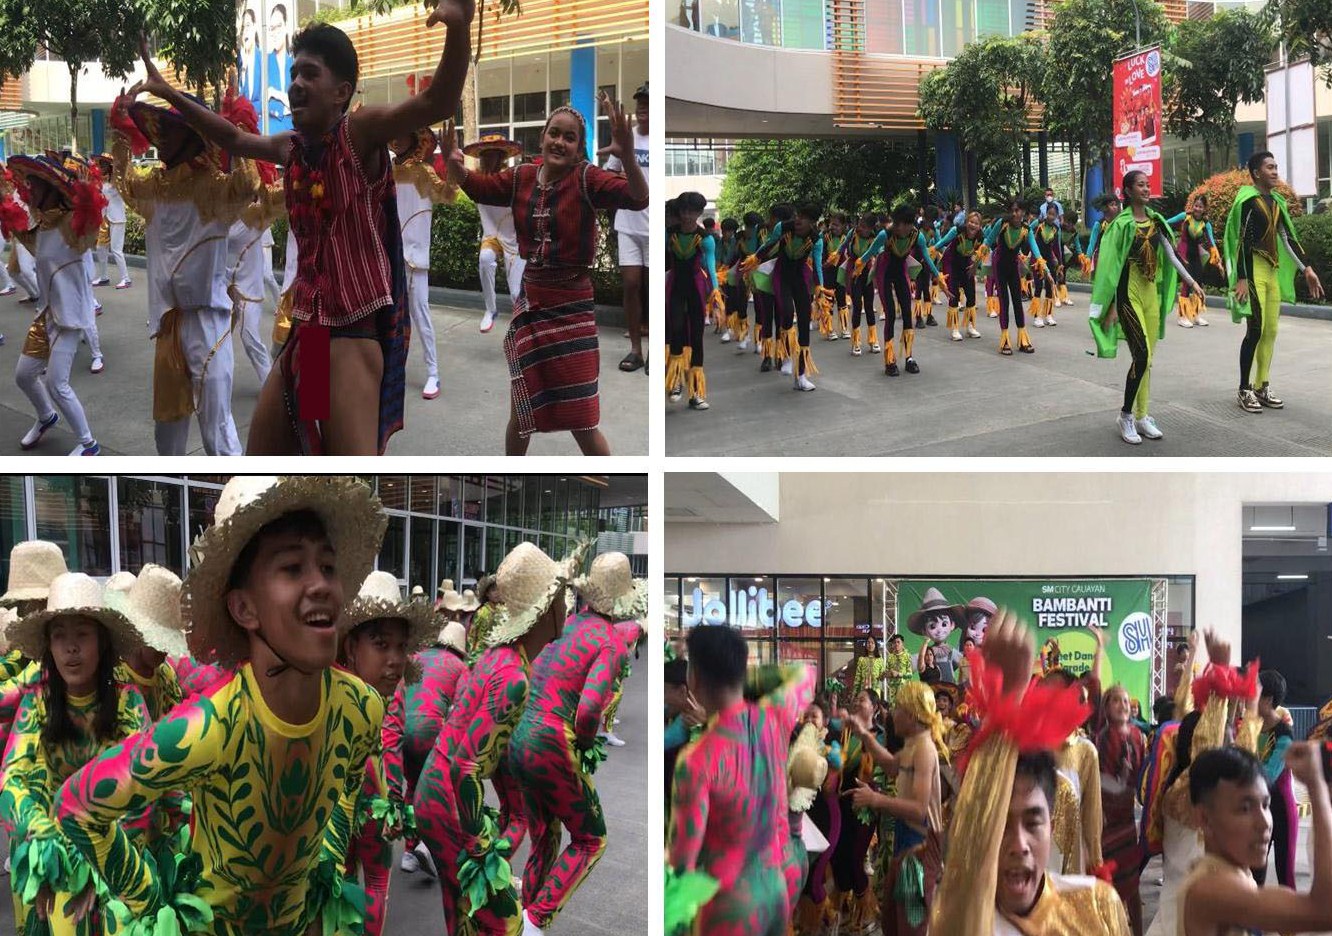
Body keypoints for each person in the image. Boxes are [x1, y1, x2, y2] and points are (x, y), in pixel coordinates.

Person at [128, 0, 475, 455]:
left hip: (353, 336)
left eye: (310, 74)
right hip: (309, 337)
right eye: (294, 74)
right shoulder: (292, 149)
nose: (295, 85)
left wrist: (459, 29)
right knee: (279, 468)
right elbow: (232, 138)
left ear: (341, 91)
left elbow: (438, 101)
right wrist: (170, 94)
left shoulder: (359, 132)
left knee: (347, 480)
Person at [55, 476, 388, 935]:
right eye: (292, 567)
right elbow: (76, 805)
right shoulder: (207, 727)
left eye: (328, 567)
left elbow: (345, 788)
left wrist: (323, 877)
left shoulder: (363, 709)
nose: (321, 585)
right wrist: (156, 902)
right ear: (244, 609)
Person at [443, 95, 647, 455]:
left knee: (582, 419)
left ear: (579, 147)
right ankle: (511, 482)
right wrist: (453, 163)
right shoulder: (521, 176)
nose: (560, 142)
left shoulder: (587, 178)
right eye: (555, 133)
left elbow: (637, 197)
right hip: (533, 304)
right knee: (521, 413)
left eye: (570, 138)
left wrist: (628, 154)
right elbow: (479, 186)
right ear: (542, 137)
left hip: (573, 309)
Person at [931, 607, 1132, 935]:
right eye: (1001, 825)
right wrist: (1006, 703)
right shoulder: (963, 919)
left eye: (1032, 822)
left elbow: (1091, 818)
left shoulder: (1095, 908)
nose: (1018, 844)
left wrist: (1094, 861)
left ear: (1050, 823)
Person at [109, 90, 260, 456]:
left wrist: (235, 134)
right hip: (169, 325)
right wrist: (121, 134)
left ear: (193, 136)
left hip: (210, 324)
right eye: (157, 131)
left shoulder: (215, 188)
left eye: (169, 131)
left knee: (218, 436)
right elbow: (125, 184)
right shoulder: (154, 187)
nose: (160, 138)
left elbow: (249, 186)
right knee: (167, 437)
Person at [1, 572, 151, 935]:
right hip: (53, 857)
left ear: (101, 642)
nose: (71, 647)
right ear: (49, 648)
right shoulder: (38, 703)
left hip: (122, 854)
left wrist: (99, 864)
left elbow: (144, 789)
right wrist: (53, 859)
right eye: (59, 636)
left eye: (82, 634)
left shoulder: (129, 701)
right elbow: (14, 781)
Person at [509, 546, 634, 936]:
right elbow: (588, 711)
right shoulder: (609, 641)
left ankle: (525, 913)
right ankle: (535, 918)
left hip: (518, 736)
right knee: (591, 838)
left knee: (544, 835)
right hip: (551, 740)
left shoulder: (566, 624)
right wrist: (583, 743)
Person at [666, 625, 815, 936]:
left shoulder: (697, 760)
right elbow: (804, 674)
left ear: (693, 677)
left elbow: (683, 864)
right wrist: (739, 675)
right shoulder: (774, 718)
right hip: (774, 890)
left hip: (728, 908)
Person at [336, 570, 434, 936]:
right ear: (351, 646)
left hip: (359, 799)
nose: (394, 659)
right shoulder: (360, 691)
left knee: (345, 878)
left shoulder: (352, 683)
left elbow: (390, 742)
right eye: (381, 644)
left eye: (400, 647)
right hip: (362, 797)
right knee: (373, 879)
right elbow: (388, 744)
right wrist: (391, 799)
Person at [1089, 170, 1201, 446]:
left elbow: (1171, 255)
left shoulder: (1155, 221)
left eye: (1148, 184)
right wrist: (1112, 306)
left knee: (1148, 359)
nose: (1146, 189)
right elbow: (1110, 268)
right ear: (1127, 191)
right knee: (1141, 355)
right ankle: (1125, 415)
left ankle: (1142, 415)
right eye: (1141, 185)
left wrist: (1192, 282)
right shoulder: (1121, 225)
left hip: (1150, 296)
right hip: (1129, 296)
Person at [1179, 742, 1332, 936]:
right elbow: (1325, 911)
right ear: (1204, 819)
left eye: (1266, 805)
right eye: (1245, 808)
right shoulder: (1210, 889)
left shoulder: (1232, 872)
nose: (1264, 823)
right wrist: (1316, 784)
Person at [9, 153, 106, 456]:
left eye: (36, 184)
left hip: (69, 320)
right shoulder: (43, 226)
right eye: (30, 184)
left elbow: (92, 227)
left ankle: (89, 445)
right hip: (47, 315)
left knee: (56, 383)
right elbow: (29, 242)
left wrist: (89, 195)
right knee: (23, 375)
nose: (31, 190)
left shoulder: (73, 225)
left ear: (53, 188)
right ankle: (46, 417)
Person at [844, 680, 946, 935]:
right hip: (907, 844)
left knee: (910, 923)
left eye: (898, 708)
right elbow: (890, 766)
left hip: (919, 849)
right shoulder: (913, 745)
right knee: (894, 919)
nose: (892, 714)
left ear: (912, 715)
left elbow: (919, 810)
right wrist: (865, 735)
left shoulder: (923, 749)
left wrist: (875, 800)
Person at [1226, 150, 1325, 414]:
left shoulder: (1275, 202)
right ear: (1257, 172)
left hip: (1271, 271)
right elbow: (1242, 241)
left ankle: (1262, 384)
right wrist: (1243, 278)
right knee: (1255, 330)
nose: (1275, 171)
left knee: (1271, 331)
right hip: (1254, 271)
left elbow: (1286, 237)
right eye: (1270, 167)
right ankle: (1244, 389)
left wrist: (1307, 269)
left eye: (1276, 166)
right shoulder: (1248, 201)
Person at [390, 126, 456, 401]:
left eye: (401, 132)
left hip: (414, 256)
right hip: (391, 254)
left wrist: (452, 161)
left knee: (420, 314)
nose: (395, 137)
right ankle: (393, 370)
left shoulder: (423, 172)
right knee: (392, 319)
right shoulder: (385, 170)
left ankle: (433, 372)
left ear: (415, 140)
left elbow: (449, 195)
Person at [397, 620, 467, 877]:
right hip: (430, 733)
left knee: (413, 788)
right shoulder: (459, 667)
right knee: (443, 789)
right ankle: (428, 846)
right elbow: (461, 709)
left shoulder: (416, 656)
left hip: (401, 729)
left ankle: (408, 850)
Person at [853, 206, 950, 376]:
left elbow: (927, 258)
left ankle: (909, 357)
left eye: (908, 224)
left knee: (907, 313)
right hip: (884, 273)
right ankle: (890, 360)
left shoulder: (916, 236)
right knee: (890, 314)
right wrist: (858, 267)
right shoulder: (885, 235)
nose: (904, 228)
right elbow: (869, 253)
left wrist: (939, 279)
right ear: (895, 224)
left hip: (901, 273)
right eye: (900, 224)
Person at [605, 82, 649, 375]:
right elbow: (610, 174)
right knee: (631, 285)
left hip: (655, 226)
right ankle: (636, 349)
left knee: (653, 288)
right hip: (627, 224)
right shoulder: (628, 137)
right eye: (640, 103)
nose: (643, 108)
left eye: (648, 103)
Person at [1096, 684, 1147, 934]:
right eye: (1115, 700)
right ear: (1106, 707)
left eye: (1126, 700)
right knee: (1111, 881)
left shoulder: (1138, 736)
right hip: (1107, 820)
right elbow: (1102, 779)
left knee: (1133, 880)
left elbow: (1141, 778)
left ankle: (1137, 931)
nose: (1123, 705)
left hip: (1127, 819)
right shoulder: (1103, 738)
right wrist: (1119, 783)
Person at [464, 134, 525, 335]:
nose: (487, 160)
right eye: (484, 156)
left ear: (501, 158)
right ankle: (490, 310)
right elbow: (457, 179)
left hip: (513, 239)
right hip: (491, 236)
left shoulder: (510, 179)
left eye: (492, 156)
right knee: (485, 259)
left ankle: (520, 325)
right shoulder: (477, 180)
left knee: (516, 291)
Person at [665, 191, 719, 410]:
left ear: (698, 213)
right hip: (675, 286)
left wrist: (715, 297)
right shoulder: (669, 233)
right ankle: (675, 381)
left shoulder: (706, 238)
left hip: (696, 288)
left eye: (692, 211)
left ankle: (696, 393)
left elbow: (712, 268)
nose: (687, 215)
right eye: (684, 211)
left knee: (696, 337)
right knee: (676, 329)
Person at [983, 200, 1044, 355]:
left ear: (1024, 213)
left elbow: (1037, 252)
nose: (1016, 214)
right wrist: (976, 261)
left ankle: (1023, 340)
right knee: (1004, 301)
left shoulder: (1026, 229)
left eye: (1019, 210)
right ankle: (1005, 341)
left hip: (1013, 267)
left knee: (1017, 301)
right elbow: (987, 241)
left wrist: (1047, 272)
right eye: (1013, 210)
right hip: (999, 266)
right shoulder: (1002, 224)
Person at [1255, 668, 1298, 889]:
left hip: (1281, 811)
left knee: (1285, 877)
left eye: (1256, 692)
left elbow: (1269, 774)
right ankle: (1252, 923)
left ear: (1268, 699)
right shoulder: (1251, 727)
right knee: (1254, 875)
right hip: (1259, 809)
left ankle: (1290, 924)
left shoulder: (1284, 734)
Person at [1164, 195, 1219, 328]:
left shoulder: (1206, 224)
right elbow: (1166, 222)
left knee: (1198, 281)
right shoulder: (1184, 216)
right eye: (1196, 205)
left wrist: (1216, 256)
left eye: (1200, 206)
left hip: (1196, 253)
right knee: (1187, 283)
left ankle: (1195, 314)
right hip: (1184, 252)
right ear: (1192, 205)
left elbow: (1211, 241)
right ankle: (1182, 316)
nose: (1197, 209)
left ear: (1204, 208)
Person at [935, 210, 986, 341]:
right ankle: (955, 328)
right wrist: (930, 252)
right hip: (951, 263)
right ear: (966, 222)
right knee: (954, 294)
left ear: (980, 226)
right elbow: (941, 243)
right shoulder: (956, 231)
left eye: (976, 223)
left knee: (971, 294)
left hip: (967, 264)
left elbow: (982, 252)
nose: (972, 225)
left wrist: (975, 265)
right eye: (970, 222)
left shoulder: (980, 237)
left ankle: (970, 327)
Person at [90, 154, 131, 291]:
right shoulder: (101, 182)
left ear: (110, 167)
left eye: (104, 165)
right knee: (101, 248)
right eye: (100, 165)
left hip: (117, 219)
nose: (100, 168)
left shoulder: (118, 182)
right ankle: (103, 277)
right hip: (104, 218)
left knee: (116, 249)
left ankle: (126, 279)